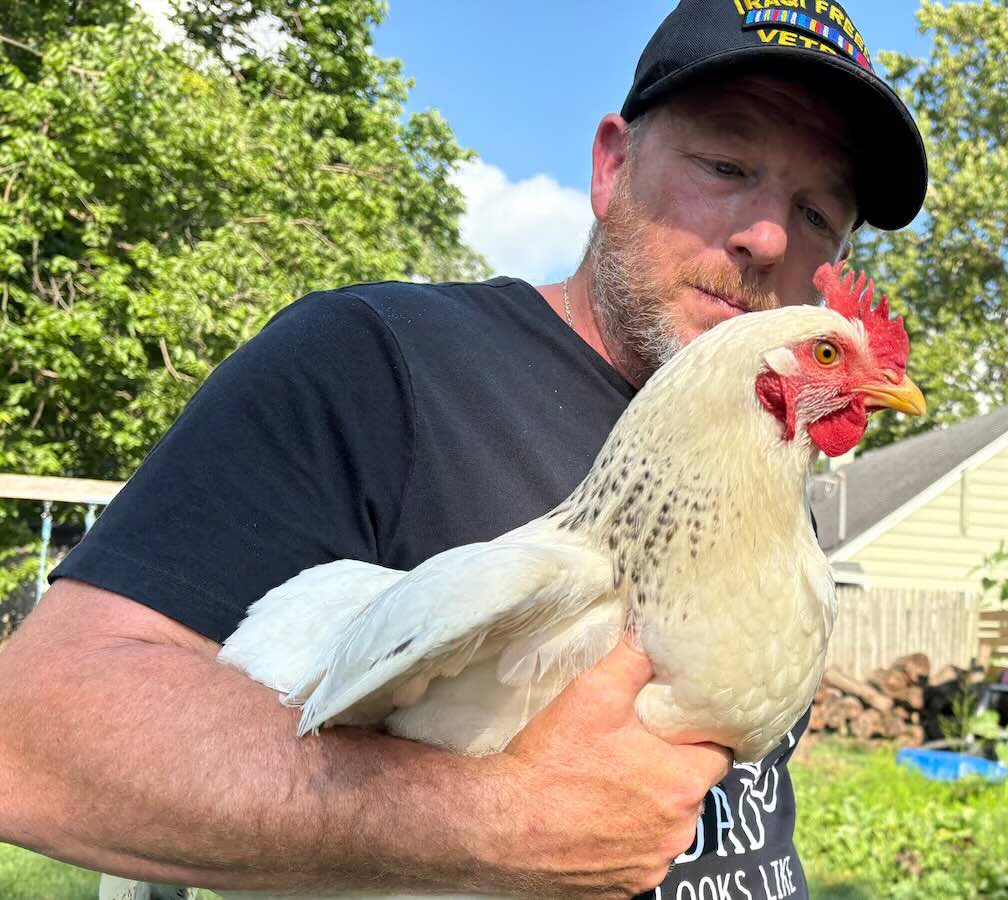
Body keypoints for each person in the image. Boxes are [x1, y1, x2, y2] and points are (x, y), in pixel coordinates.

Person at [0, 0, 925, 898]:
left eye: (817, 215)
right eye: (726, 163)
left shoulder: (761, 450)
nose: (767, 235)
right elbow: (30, 736)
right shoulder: (371, 361)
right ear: (609, 167)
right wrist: (490, 818)